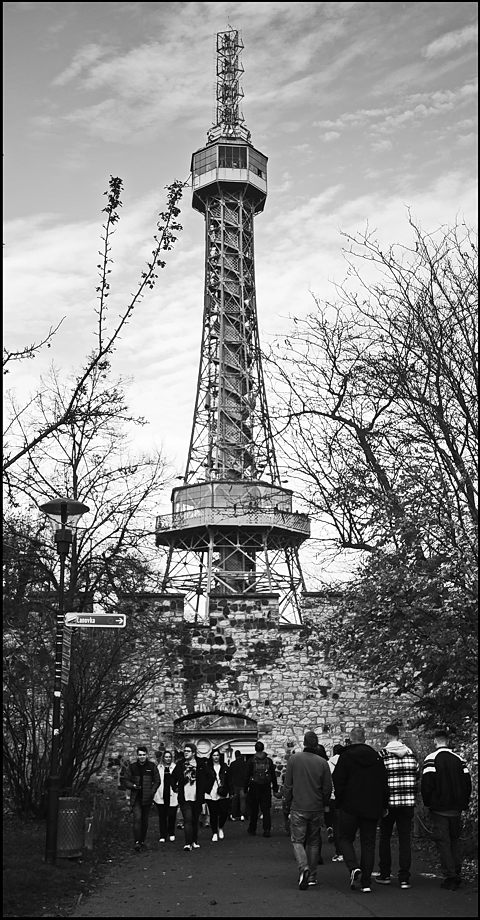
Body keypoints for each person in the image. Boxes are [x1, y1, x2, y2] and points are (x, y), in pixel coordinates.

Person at [333, 726, 389, 893]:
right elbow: (383, 782)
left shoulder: (345, 757)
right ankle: (366, 882)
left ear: (351, 739)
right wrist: (384, 804)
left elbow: (338, 779)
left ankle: (353, 867)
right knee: (368, 843)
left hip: (350, 805)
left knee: (345, 838)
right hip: (372, 806)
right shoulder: (377, 758)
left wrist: (340, 801)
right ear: (365, 739)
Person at [421, 728, 472, 890]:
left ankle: (450, 876)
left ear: (435, 741)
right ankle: (457, 870)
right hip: (456, 808)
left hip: (440, 808)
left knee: (443, 841)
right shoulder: (459, 759)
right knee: (455, 840)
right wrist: (464, 802)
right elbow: (467, 784)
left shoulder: (431, 759)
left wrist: (428, 803)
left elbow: (427, 785)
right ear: (448, 741)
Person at [283, 730, 333, 890]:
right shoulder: (322, 763)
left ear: (304, 743)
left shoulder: (294, 760)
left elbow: (288, 784)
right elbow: (327, 788)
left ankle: (303, 867)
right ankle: (312, 876)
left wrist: (287, 801)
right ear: (316, 744)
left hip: (299, 806)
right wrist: (324, 803)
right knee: (313, 841)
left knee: (297, 840)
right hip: (316, 806)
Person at [375, 724, 420, 889]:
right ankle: (404, 878)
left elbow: (379, 781)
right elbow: (417, 777)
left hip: (389, 803)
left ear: (387, 736)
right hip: (407, 802)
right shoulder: (411, 755)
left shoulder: (382, 756)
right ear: (398, 736)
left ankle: (385, 873)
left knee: (385, 838)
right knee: (404, 839)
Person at [171, 742, 211, 851]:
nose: (185, 753)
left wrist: (205, 790)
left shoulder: (201, 764)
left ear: (193, 753)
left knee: (194, 820)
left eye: (188, 751)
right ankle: (187, 843)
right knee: (188, 819)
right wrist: (175, 788)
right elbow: (172, 777)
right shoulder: (180, 765)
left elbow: (210, 776)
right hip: (185, 797)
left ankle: (194, 841)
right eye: (185, 751)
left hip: (197, 797)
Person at [123, 745, 160, 852]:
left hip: (147, 798)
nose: (142, 757)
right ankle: (137, 841)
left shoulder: (152, 766)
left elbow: (157, 781)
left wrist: (152, 792)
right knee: (137, 818)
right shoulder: (133, 767)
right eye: (140, 755)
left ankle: (142, 839)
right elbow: (126, 780)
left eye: (144, 755)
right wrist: (133, 786)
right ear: (137, 755)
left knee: (144, 820)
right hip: (136, 797)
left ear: (147, 755)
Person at [244, 740, 279, 837]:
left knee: (254, 809)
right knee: (266, 809)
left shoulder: (251, 760)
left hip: (254, 787)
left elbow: (247, 775)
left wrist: (245, 789)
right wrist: (275, 789)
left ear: (255, 749)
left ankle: (252, 829)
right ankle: (267, 829)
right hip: (266, 787)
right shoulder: (268, 761)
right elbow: (273, 776)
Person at [154, 751, 178, 843]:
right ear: (163, 758)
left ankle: (171, 833)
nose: (167, 759)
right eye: (166, 757)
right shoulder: (159, 768)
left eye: (169, 757)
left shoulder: (175, 768)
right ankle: (163, 835)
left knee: (172, 815)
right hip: (161, 793)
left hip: (172, 793)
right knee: (162, 816)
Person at [205, 749, 230, 841]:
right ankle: (214, 832)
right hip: (211, 792)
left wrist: (229, 790)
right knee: (213, 813)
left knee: (224, 812)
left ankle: (221, 827)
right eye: (214, 755)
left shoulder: (224, 767)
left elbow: (229, 779)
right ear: (211, 757)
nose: (216, 757)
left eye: (217, 755)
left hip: (222, 791)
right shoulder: (207, 767)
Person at [326, 744, 344, 862]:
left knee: (336, 825)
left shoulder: (328, 764)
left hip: (334, 797)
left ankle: (339, 852)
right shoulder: (346, 762)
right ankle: (347, 850)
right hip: (346, 797)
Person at [227, 750, 247, 821]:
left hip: (235, 784)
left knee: (234, 800)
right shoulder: (245, 764)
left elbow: (230, 775)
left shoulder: (233, 764)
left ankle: (233, 815)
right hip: (242, 784)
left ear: (235, 756)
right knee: (243, 800)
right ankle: (242, 815)